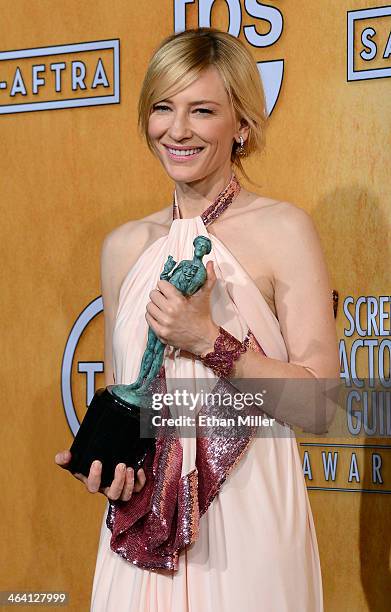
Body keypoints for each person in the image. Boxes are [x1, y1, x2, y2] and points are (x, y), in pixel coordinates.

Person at [55, 27, 340, 611]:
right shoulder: (124, 246)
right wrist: (117, 469)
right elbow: (133, 404)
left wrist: (209, 340)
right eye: (163, 107)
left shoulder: (283, 231)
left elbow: (320, 405)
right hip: (144, 536)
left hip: (250, 527)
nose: (177, 130)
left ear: (242, 125)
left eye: (202, 110)